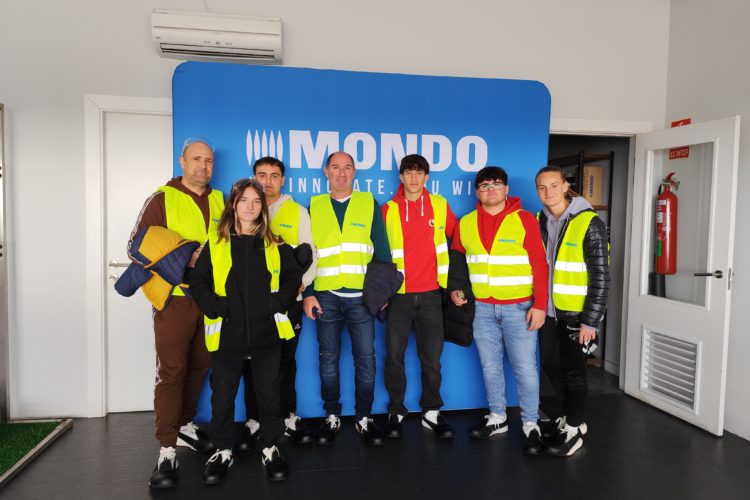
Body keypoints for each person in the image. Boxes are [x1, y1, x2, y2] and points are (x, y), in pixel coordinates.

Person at [190, 178, 302, 483]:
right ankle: (222, 450)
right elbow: (198, 282)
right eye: (243, 200)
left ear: (262, 206)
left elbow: (293, 278)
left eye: (256, 201)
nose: (250, 207)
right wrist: (217, 307)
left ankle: (270, 447)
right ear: (234, 205)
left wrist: (276, 303)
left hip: (267, 336)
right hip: (227, 336)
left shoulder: (275, 243)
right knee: (223, 396)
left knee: (269, 395)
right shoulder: (216, 243)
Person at [129, 138, 223, 489]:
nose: (203, 166)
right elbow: (136, 245)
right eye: (196, 159)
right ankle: (166, 449)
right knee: (171, 372)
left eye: (208, 160)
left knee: (201, 365)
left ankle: (184, 425)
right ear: (182, 161)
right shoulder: (162, 199)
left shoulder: (220, 200)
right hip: (175, 299)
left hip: (209, 301)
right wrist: (185, 255)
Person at [450, 166, 548, 455]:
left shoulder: (525, 219)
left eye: (496, 184)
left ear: (506, 189)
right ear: (477, 192)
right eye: (484, 185)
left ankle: (531, 423)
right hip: (481, 308)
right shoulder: (466, 222)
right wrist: (457, 289)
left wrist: (540, 305)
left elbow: (539, 264)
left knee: (525, 368)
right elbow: (458, 262)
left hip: (520, 308)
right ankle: (497, 417)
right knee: (490, 366)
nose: (490, 189)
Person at [302, 151, 391, 447]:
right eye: (336, 167)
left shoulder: (368, 203)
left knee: (366, 360)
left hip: (362, 299)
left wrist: (382, 293)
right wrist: (308, 294)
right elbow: (306, 255)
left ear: (354, 172)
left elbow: (382, 251)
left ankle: (364, 417)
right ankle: (332, 415)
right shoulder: (314, 206)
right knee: (328, 360)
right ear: (326, 171)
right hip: (325, 296)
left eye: (348, 168)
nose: (342, 173)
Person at [239, 156, 317, 447]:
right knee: (251, 362)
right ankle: (255, 419)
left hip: (287, 303)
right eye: (262, 175)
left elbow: (311, 256)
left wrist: (297, 288)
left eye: (274, 175)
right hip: (251, 306)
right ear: (253, 178)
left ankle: (287, 416)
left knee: (286, 360)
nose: (268, 181)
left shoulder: (297, 212)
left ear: (282, 180)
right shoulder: (244, 210)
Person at [381, 154, 458, 439]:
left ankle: (431, 412)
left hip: (431, 295)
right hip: (398, 297)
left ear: (427, 177)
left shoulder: (439, 205)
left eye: (419, 172)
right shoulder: (388, 209)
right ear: (401, 177)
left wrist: (455, 285)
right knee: (394, 358)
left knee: (432, 360)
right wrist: (381, 292)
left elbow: (458, 241)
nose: (414, 178)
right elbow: (377, 254)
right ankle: (396, 410)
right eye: (408, 172)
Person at [535, 166, 610, 457]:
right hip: (549, 312)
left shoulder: (589, 222)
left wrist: (590, 321)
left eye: (554, 185)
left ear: (566, 186)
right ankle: (569, 416)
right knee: (550, 364)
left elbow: (600, 276)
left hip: (576, 314)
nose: (548, 192)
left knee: (575, 372)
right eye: (542, 187)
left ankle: (575, 428)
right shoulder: (540, 220)